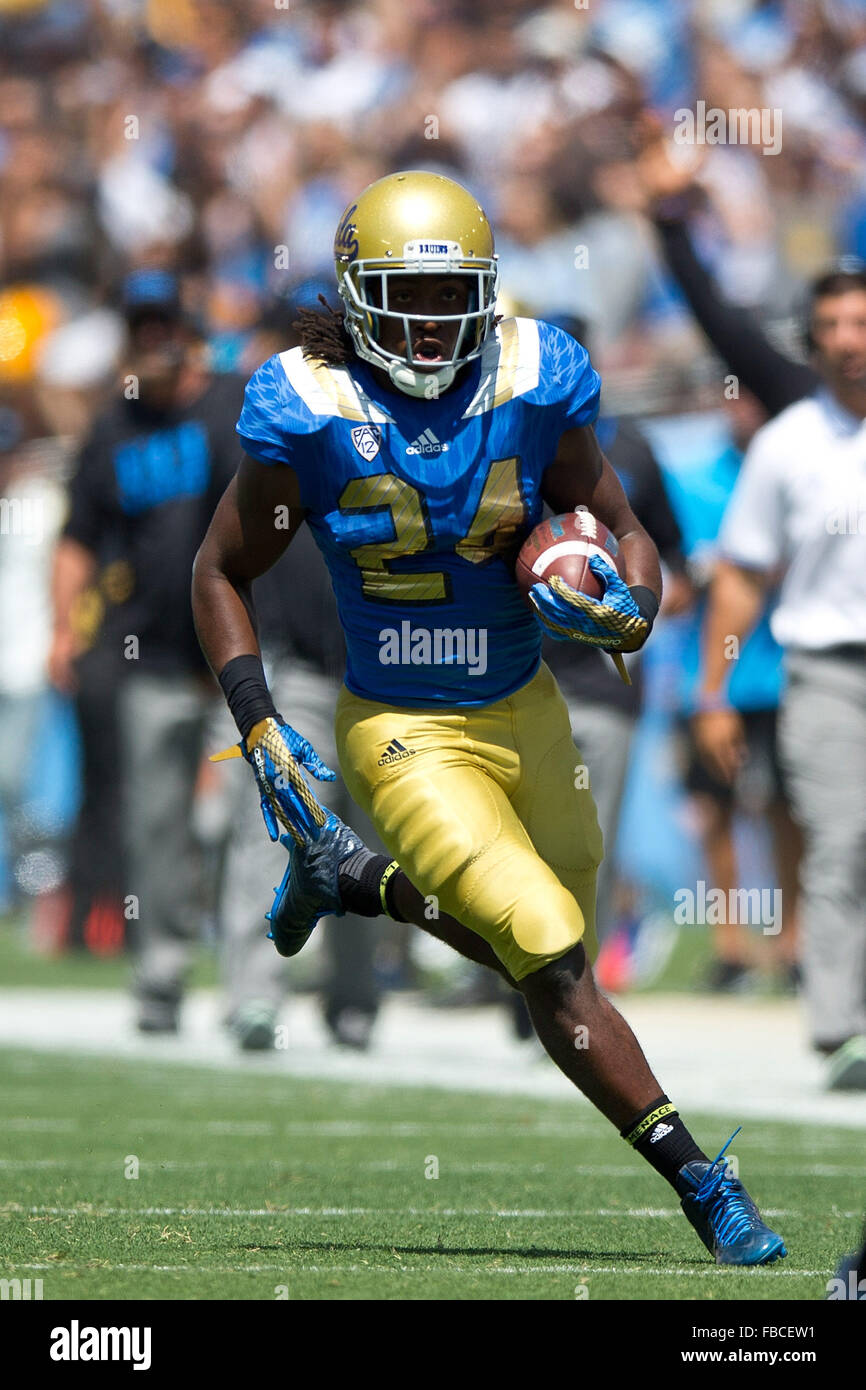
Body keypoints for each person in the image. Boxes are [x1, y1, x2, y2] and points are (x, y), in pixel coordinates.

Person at [193, 170, 786, 1265]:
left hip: (529, 705)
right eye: (403, 301)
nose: (427, 326)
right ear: (357, 296)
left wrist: (630, 610)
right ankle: (703, 1182)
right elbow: (219, 568)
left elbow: (621, 524)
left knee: (558, 952)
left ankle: (349, 878)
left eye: (448, 297)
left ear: (486, 292)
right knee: (544, 948)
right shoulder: (307, 407)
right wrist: (259, 716)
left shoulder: (531, 377)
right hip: (399, 725)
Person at [51, 269, 243, 1031]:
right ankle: (160, 977)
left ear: (188, 330)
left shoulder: (231, 406)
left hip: (235, 657)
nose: (153, 340)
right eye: (140, 328)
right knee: (155, 826)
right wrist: (65, 627)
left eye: (165, 325)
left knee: (237, 824)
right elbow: (76, 540)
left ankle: (247, 985)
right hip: (150, 659)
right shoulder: (113, 428)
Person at [698, 265, 866, 1091]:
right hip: (827, 670)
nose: (847, 341)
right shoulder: (786, 443)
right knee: (841, 839)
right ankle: (841, 1026)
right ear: (812, 340)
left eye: (861, 323)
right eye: (831, 324)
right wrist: (714, 692)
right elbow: (739, 578)